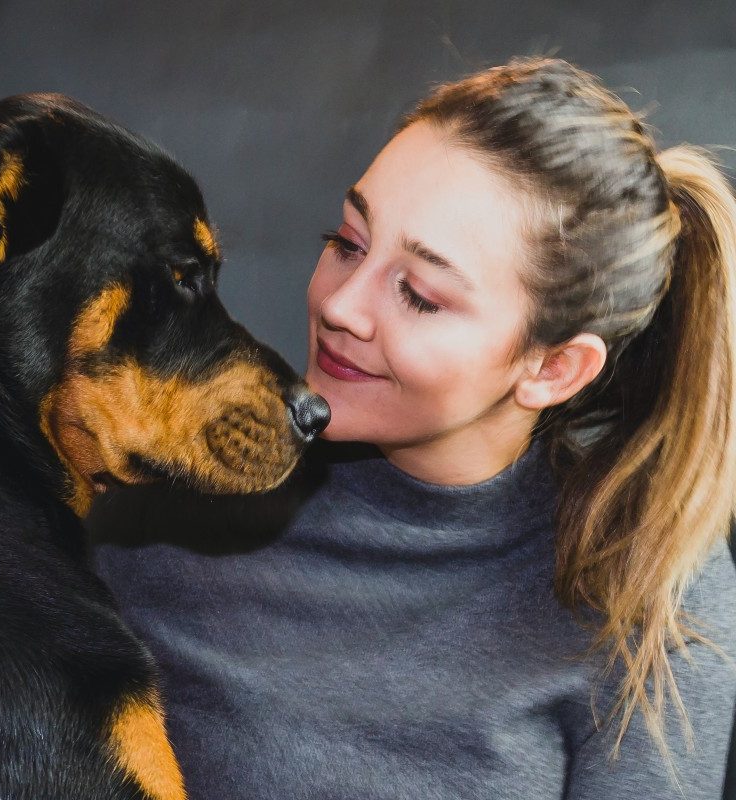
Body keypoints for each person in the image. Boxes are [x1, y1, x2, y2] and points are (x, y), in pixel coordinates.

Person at [89, 58, 736, 799]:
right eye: (348, 241)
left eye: (421, 295)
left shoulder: (653, 583)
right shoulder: (157, 492)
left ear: (553, 369)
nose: (342, 305)